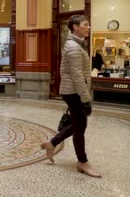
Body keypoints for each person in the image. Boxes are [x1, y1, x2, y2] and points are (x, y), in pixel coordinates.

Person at [40, 15, 102, 178]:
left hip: (73, 91)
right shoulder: (74, 47)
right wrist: (86, 98)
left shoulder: (76, 44)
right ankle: (82, 162)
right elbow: (76, 75)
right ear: (75, 27)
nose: (88, 28)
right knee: (80, 128)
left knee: (78, 125)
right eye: (85, 25)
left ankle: (51, 143)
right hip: (74, 92)